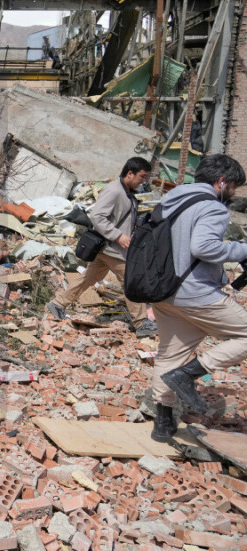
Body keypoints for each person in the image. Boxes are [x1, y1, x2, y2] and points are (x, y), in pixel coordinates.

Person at [149, 154, 247, 442]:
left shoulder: (171, 199)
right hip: (195, 292)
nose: (233, 193)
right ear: (221, 182)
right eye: (233, 187)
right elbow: (204, 247)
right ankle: (189, 374)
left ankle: (163, 424)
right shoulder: (213, 207)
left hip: (162, 291)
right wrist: (242, 249)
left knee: (170, 354)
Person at [46, 156, 157, 337]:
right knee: (131, 281)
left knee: (89, 278)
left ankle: (58, 304)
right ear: (130, 173)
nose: (143, 181)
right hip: (112, 248)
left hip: (109, 247)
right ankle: (141, 322)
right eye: (142, 176)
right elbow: (97, 217)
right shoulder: (114, 190)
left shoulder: (126, 191)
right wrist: (118, 235)